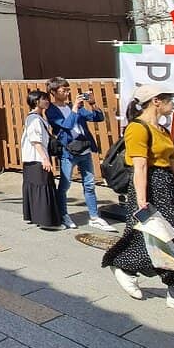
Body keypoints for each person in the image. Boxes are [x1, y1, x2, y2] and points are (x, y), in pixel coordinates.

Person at [102, 85, 174, 320]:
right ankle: (127, 267)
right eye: (169, 100)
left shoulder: (162, 130)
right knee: (160, 239)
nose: (173, 104)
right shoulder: (137, 128)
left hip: (167, 188)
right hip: (150, 188)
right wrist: (142, 202)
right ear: (156, 101)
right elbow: (140, 166)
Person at [45, 78, 117, 232]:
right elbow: (66, 125)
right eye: (63, 90)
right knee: (65, 185)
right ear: (53, 92)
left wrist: (92, 103)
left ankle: (94, 217)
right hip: (67, 151)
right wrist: (75, 109)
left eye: (67, 89)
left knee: (89, 184)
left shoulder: (72, 105)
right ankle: (63, 214)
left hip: (84, 148)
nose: (67, 92)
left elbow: (97, 118)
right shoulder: (51, 110)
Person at [20, 90, 62, 229]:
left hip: (33, 159)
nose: (47, 101)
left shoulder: (39, 117)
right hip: (36, 158)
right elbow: (35, 141)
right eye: (44, 99)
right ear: (36, 101)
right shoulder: (34, 119)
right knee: (43, 187)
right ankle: (46, 221)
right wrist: (45, 159)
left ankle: (36, 217)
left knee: (37, 188)